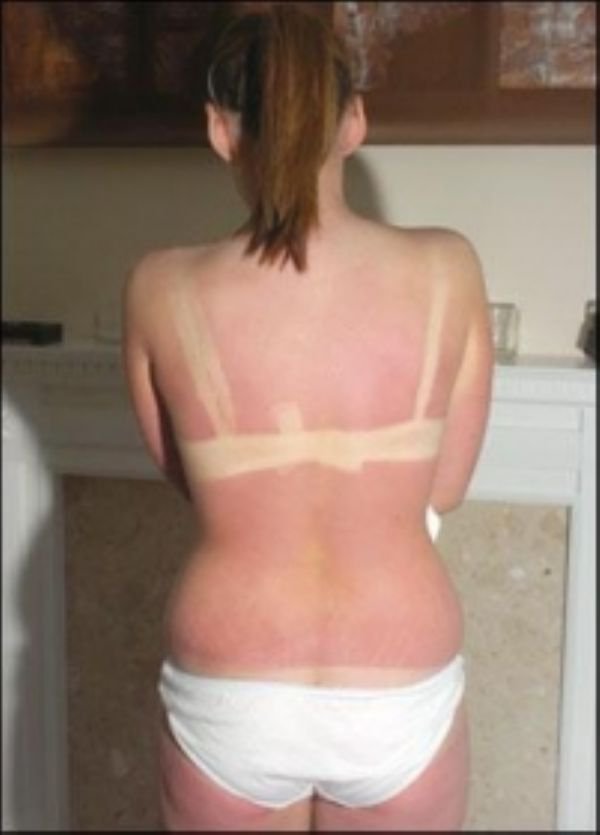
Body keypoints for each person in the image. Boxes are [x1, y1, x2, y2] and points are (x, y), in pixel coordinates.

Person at [122, 4, 493, 831]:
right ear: (352, 120)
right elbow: (447, 487)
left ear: (221, 129)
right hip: (397, 684)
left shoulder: (158, 287)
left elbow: (189, 478)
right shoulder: (449, 267)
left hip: (232, 687)